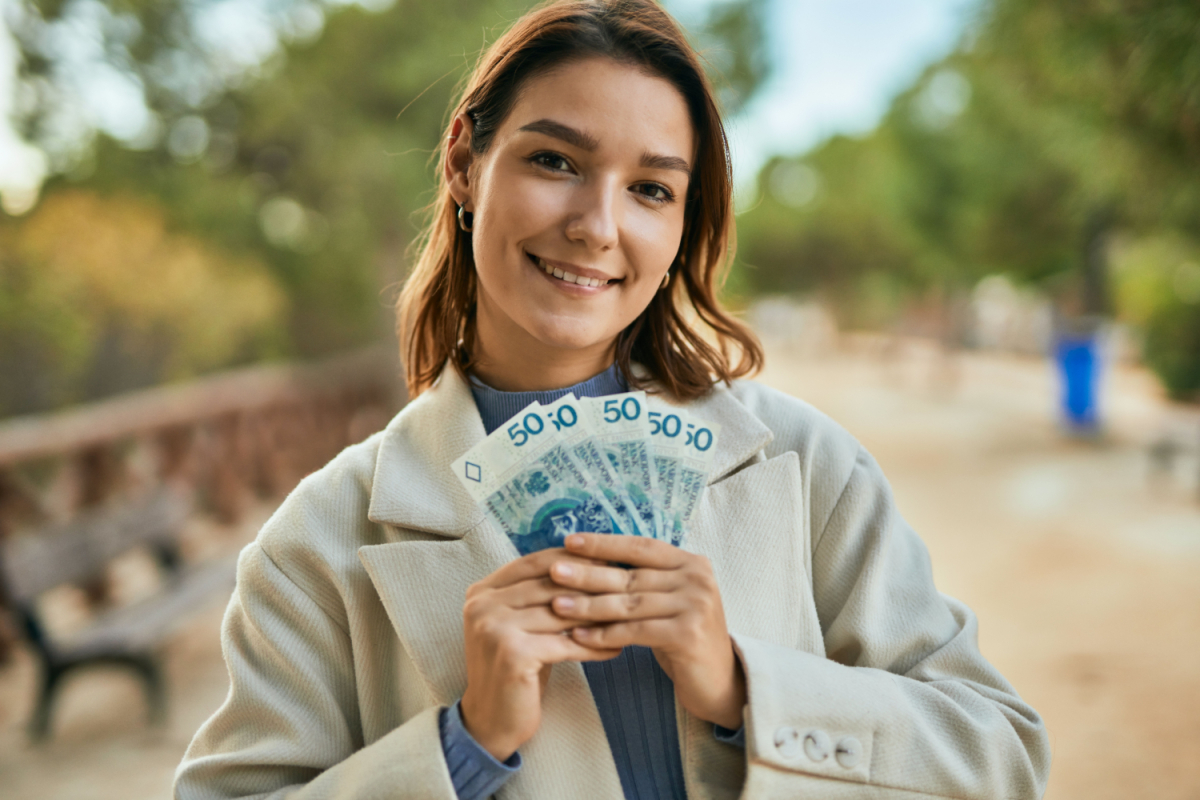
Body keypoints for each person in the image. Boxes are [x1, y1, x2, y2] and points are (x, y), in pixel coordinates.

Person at [174, 1, 1051, 798]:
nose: (597, 224)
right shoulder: (316, 548)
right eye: (555, 160)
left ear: (679, 228)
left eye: (651, 189)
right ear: (463, 165)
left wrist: (747, 691)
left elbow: (1000, 757)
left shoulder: (804, 464)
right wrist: (462, 747)